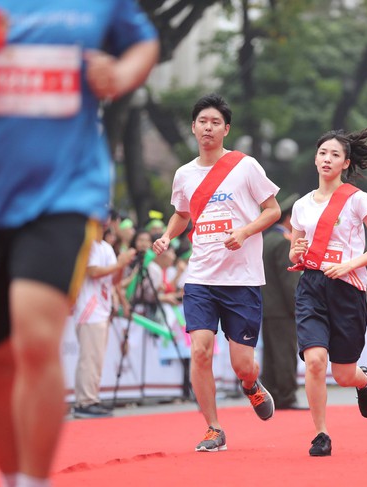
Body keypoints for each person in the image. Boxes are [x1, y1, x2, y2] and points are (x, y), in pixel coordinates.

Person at [0, 3, 159, 486]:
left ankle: (34, 481)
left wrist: (121, 71)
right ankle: (13, 477)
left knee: (36, 337)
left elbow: (144, 41)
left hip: (65, 196)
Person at [152, 93, 281, 452]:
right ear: (194, 127)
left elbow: (272, 211)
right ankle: (213, 427)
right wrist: (165, 236)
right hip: (200, 278)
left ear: (226, 128)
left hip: (241, 279)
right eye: (202, 122)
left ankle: (251, 386)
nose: (208, 128)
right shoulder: (184, 174)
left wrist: (243, 232)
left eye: (215, 122)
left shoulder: (245, 166)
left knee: (243, 364)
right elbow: (182, 214)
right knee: (201, 351)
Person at [288, 126, 367, 457]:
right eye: (322, 153)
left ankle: (363, 381)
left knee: (344, 373)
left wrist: (349, 265)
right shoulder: (302, 205)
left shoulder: (357, 199)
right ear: (315, 159)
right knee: (315, 361)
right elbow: (295, 252)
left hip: (348, 289)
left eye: (335, 154)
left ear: (346, 163)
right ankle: (321, 433)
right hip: (312, 286)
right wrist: (297, 251)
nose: (327, 159)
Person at [72, 217, 136, 419]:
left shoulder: (106, 247)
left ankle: (92, 398)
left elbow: (113, 278)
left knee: (96, 358)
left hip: (103, 307)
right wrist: (119, 263)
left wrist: (121, 266)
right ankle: (84, 402)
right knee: (89, 358)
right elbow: (93, 272)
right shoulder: (88, 246)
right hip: (89, 309)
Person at [261, 192, 305, 410]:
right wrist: (297, 308)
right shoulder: (282, 242)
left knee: (270, 354)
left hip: (267, 308)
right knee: (285, 353)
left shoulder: (267, 239)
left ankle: (270, 396)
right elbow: (289, 280)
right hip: (282, 309)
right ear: (288, 218)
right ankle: (286, 396)